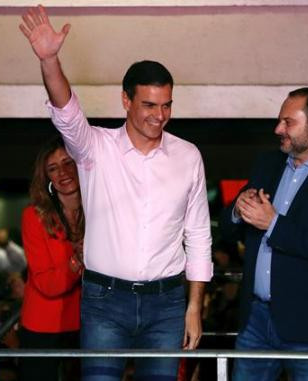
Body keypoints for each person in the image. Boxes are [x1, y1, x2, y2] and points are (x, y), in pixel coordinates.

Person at [19, 6, 213, 380]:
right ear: (126, 101)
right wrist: (50, 61)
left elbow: (199, 235)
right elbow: (67, 111)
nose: (160, 115)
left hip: (168, 303)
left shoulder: (188, 156)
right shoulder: (95, 147)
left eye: (167, 105)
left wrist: (194, 308)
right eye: (149, 105)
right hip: (104, 301)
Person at [220, 87, 308, 380]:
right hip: (255, 320)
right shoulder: (267, 164)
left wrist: (273, 224)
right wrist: (238, 209)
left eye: (288, 122)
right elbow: (225, 228)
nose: (278, 129)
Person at [19, 137, 84, 381]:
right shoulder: (33, 216)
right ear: (46, 177)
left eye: (68, 163)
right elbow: (47, 284)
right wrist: (78, 261)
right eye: (53, 168)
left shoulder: (99, 209)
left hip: (89, 323)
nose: (63, 173)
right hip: (42, 326)